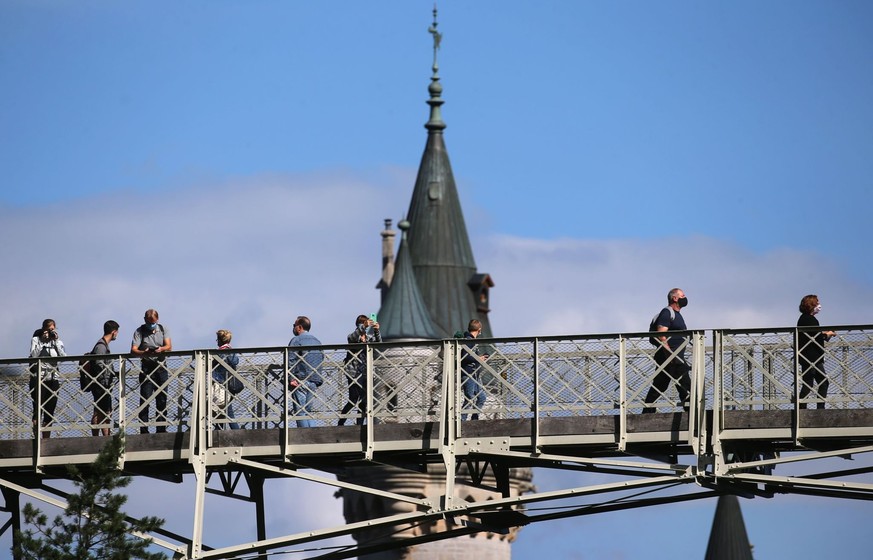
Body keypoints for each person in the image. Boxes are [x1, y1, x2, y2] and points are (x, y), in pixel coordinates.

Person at [643, 288, 691, 413]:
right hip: (671, 357)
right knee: (685, 384)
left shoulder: (677, 315)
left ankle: (646, 413)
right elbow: (661, 335)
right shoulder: (667, 312)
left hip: (672, 356)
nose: (685, 297)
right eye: (682, 295)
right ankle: (693, 413)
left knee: (660, 385)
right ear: (675, 298)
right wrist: (670, 355)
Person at [130, 309, 172, 434]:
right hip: (146, 368)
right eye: (149, 322)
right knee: (145, 399)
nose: (151, 324)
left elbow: (169, 347)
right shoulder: (139, 331)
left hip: (161, 367)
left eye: (153, 322)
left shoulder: (163, 329)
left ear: (157, 320)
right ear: (144, 320)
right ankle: (144, 429)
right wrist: (145, 352)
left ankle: (161, 429)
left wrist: (161, 349)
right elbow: (133, 350)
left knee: (162, 399)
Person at [339, 314, 381, 426]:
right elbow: (352, 338)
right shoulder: (353, 336)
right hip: (352, 372)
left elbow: (378, 344)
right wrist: (363, 326)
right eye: (363, 324)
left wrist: (377, 331)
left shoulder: (368, 338)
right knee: (353, 399)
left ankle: (360, 425)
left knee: (364, 401)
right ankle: (341, 423)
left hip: (365, 372)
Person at [797, 294, 836, 410]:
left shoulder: (805, 319)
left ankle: (803, 408)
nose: (819, 305)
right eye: (817, 303)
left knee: (809, 384)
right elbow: (815, 335)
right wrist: (827, 334)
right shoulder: (809, 319)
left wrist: (825, 335)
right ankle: (818, 409)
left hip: (809, 357)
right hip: (812, 357)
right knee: (821, 382)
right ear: (811, 305)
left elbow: (814, 335)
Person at [29, 319, 66, 438]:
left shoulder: (57, 341)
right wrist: (42, 341)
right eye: (48, 329)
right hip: (38, 379)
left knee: (50, 411)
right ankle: (36, 437)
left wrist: (55, 342)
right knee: (37, 410)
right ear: (43, 329)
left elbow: (64, 357)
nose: (50, 332)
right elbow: (33, 355)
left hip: (53, 379)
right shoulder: (36, 339)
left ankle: (46, 439)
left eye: (52, 329)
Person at [288, 316, 324, 428]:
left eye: (294, 325)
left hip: (300, 379)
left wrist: (290, 378)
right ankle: (313, 436)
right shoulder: (317, 341)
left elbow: (291, 360)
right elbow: (321, 358)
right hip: (314, 380)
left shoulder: (296, 340)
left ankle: (304, 438)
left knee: (300, 412)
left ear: (299, 327)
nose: (293, 328)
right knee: (308, 412)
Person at [89, 320, 119, 437]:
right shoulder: (101, 346)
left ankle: (105, 437)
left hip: (102, 384)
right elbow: (98, 364)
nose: (117, 335)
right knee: (100, 412)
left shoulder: (102, 345)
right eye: (117, 332)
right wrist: (106, 377)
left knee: (105, 412)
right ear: (113, 332)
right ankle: (97, 437)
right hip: (101, 384)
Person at [212, 329, 241, 429]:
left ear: (220, 340)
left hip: (221, 384)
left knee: (225, 410)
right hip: (231, 385)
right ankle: (218, 430)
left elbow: (211, 367)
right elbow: (235, 362)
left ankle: (235, 432)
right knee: (225, 409)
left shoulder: (218, 353)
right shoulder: (232, 352)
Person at [460, 319, 488, 420]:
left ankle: (474, 420)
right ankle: (461, 421)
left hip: (474, 374)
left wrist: (479, 358)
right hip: (468, 373)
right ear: (479, 330)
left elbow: (469, 356)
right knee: (469, 398)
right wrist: (478, 358)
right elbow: (464, 357)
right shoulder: (468, 340)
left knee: (482, 397)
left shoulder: (471, 341)